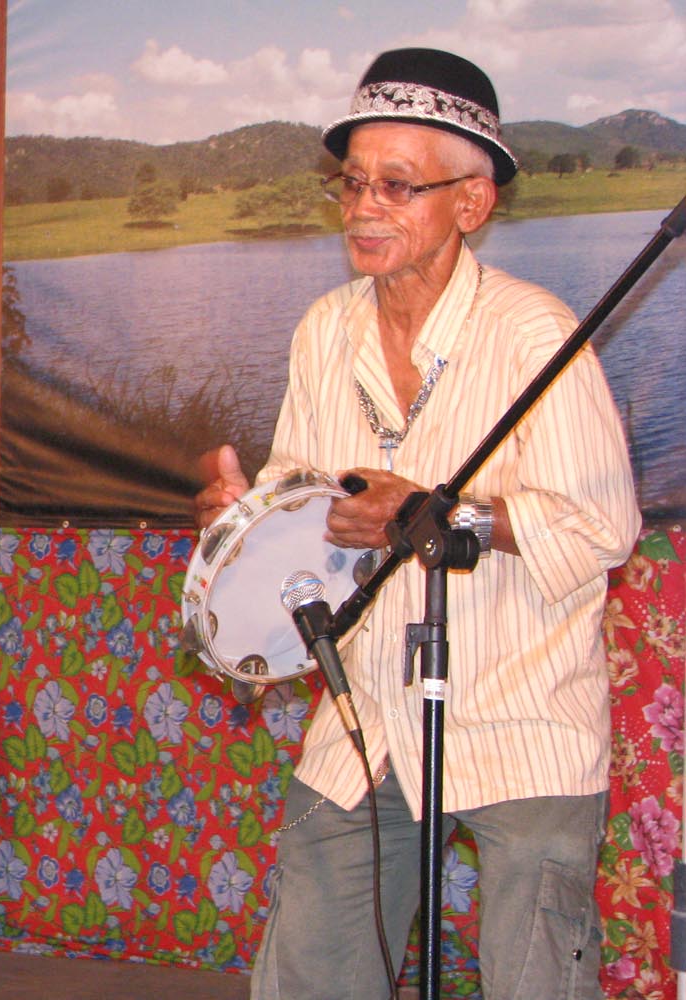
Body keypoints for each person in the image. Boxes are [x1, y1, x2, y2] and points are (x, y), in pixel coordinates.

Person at [194, 49, 640, 999]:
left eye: (397, 186)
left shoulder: (534, 333)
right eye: (352, 183)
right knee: (313, 968)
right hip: (368, 718)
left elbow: (600, 528)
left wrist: (436, 511)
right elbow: (302, 499)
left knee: (535, 982)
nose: (364, 208)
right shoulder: (325, 329)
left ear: (471, 203)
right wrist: (246, 520)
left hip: (522, 714)